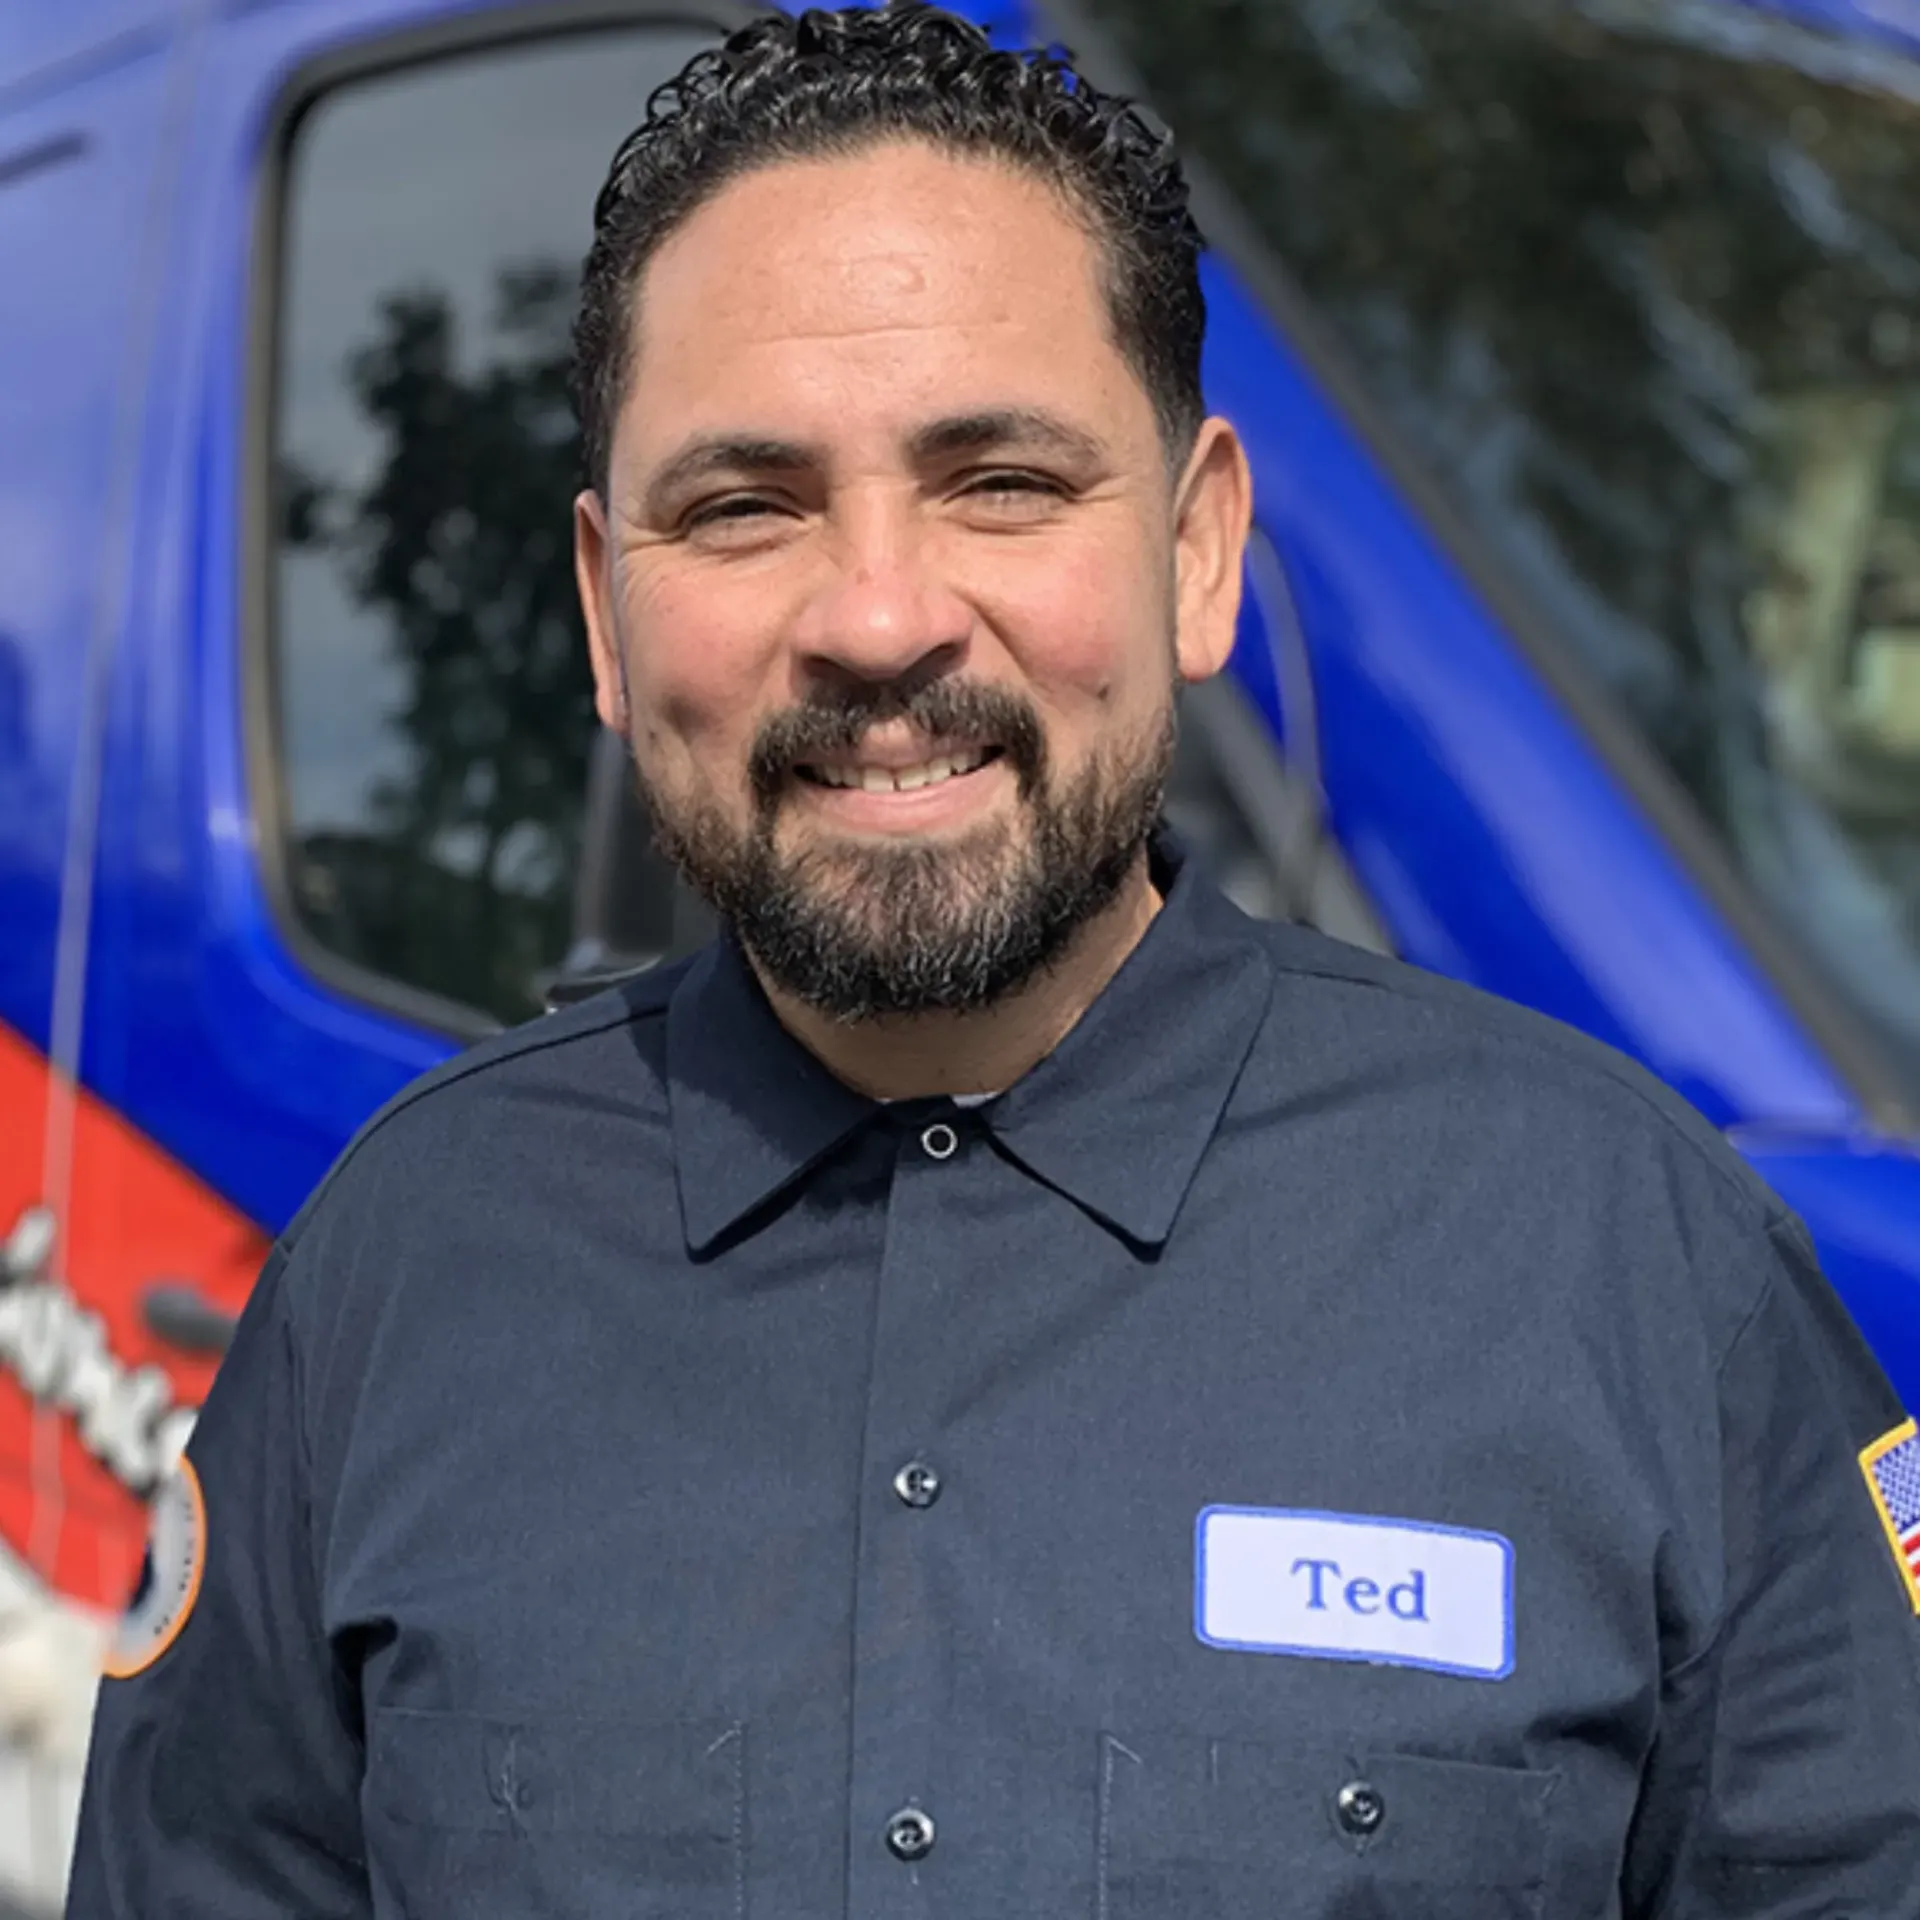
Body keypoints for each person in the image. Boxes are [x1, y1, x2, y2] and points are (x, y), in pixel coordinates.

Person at [68, 5, 1920, 1915]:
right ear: (608, 621)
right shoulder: (389, 1283)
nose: (879, 617)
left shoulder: (1630, 1265)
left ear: (1197, 553)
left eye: (1003, 482)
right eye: (744, 506)